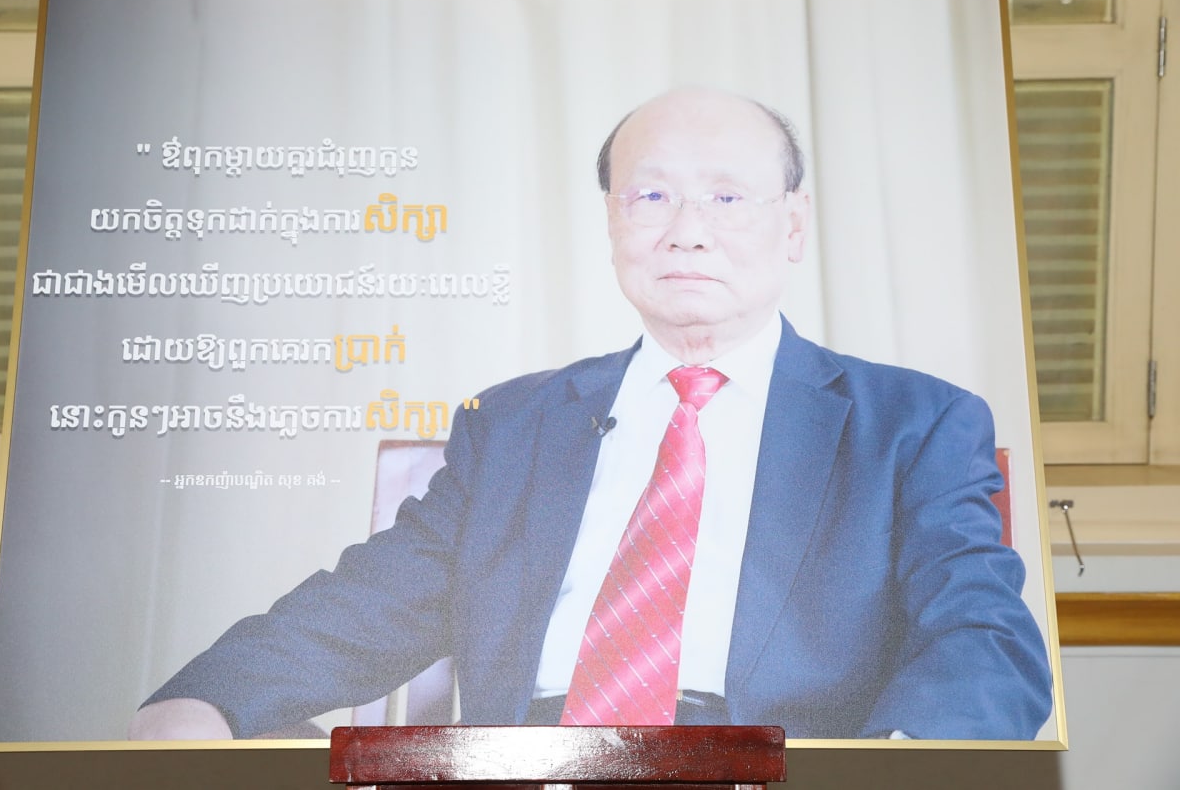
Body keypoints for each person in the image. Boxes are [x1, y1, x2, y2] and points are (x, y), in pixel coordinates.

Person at [129, 87, 1052, 741]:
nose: (687, 229)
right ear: (612, 221)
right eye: (651, 195)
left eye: (727, 197)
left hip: (769, 769)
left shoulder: (913, 426)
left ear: (793, 224)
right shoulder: (513, 425)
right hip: (524, 766)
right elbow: (367, 607)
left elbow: (983, 638)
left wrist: (892, 770)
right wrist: (205, 700)